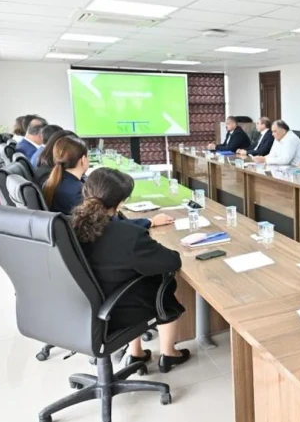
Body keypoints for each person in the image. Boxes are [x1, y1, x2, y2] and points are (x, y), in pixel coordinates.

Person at [72, 168, 190, 373]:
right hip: (118, 310)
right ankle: (168, 353)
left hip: (84, 306)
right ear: (119, 204)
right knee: (163, 280)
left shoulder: (70, 226)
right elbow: (171, 262)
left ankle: (136, 352)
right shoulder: (128, 236)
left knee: (127, 276)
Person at [42, 136, 173, 229]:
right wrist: (151, 221)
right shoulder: (77, 191)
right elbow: (109, 225)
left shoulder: (54, 182)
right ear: (83, 160)